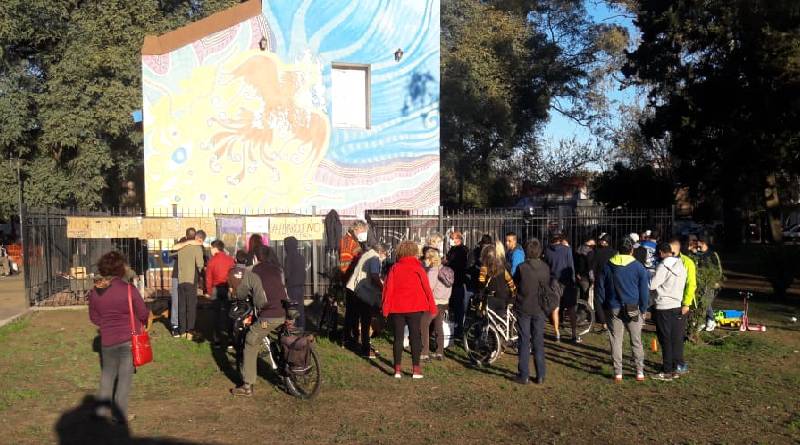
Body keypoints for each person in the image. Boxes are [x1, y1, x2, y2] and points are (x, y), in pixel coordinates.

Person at [88, 251, 149, 423]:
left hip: (107, 339)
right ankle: (119, 413)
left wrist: (106, 324)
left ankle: (100, 411)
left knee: (107, 374)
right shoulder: (129, 289)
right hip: (128, 338)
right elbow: (143, 313)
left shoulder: (96, 291)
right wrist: (140, 322)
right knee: (124, 377)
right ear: (121, 268)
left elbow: (93, 317)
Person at [231, 245, 287, 396]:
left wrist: (238, 297)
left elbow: (242, 291)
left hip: (268, 316)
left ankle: (247, 386)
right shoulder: (277, 269)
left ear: (255, 257)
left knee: (250, 340)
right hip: (285, 312)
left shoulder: (252, 271)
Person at [597, 237, 650, 383]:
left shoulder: (608, 266)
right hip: (633, 307)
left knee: (616, 340)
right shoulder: (639, 267)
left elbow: (600, 288)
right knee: (636, 340)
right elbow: (644, 291)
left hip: (613, 307)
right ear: (632, 250)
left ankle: (618, 373)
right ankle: (640, 372)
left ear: (617, 250)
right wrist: (644, 308)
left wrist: (603, 306)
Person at [382, 241, 438, 379]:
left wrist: (385, 308)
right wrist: (432, 306)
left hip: (397, 307)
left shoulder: (395, 268)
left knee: (398, 338)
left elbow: (388, 289)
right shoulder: (418, 268)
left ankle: (397, 370)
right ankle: (416, 369)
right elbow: (427, 288)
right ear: (414, 252)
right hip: (415, 307)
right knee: (415, 337)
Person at [649, 242, 688, 381]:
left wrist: (649, 276)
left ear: (660, 253)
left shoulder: (663, 266)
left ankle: (667, 371)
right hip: (677, 305)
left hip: (663, 306)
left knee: (664, 339)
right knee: (674, 339)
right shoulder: (681, 265)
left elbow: (652, 284)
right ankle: (675, 367)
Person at [514, 239, 550, 384]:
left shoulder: (522, 268)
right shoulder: (545, 267)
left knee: (524, 340)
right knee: (538, 340)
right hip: (540, 307)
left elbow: (516, 282)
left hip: (524, 306)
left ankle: (524, 374)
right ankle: (540, 374)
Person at [346, 241, 388, 359]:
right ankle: (365, 348)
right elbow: (374, 276)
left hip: (355, 288)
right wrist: (383, 287)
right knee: (366, 320)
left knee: (354, 317)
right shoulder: (374, 257)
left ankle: (354, 342)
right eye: (385, 254)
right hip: (364, 291)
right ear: (381, 251)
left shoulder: (367, 253)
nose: (385, 256)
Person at [545, 232, 578, 342]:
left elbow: (547, 267)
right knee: (571, 308)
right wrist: (573, 281)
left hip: (554, 281)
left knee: (555, 307)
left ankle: (557, 332)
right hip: (567, 281)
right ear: (560, 239)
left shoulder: (547, 251)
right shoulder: (567, 250)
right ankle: (574, 334)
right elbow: (571, 266)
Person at [670, 237, 697, 375]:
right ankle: (669, 363)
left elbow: (691, 284)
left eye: (672, 252)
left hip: (680, 304)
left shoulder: (687, 262)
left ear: (678, 250)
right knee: (667, 336)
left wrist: (686, 304)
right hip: (667, 304)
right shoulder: (664, 260)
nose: (670, 254)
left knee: (677, 335)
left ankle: (679, 363)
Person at [340, 220, 367, 346]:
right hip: (351, 280)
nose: (364, 234)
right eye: (363, 231)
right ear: (357, 229)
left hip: (353, 279)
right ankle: (348, 337)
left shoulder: (353, 240)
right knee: (352, 311)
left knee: (354, 311)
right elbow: (345, 264)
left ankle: (353, 336)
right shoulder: (347, 241)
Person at [422, 248, 452, 361]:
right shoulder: (445, 269)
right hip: (444, 302)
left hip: (434, 302)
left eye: (426, 258)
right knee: (438, 326)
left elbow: (429, 288)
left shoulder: (433, 271)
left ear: (430, 259)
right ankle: (440, 352)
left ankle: (424, 352)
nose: (425, 260)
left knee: (424, 324)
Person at [175, 229, 205, 340]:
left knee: (182, 306)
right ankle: (190, 332)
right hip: (191, 279)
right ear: (195, 236)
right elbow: (200, 264)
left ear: (186, 235)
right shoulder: (196, 247)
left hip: (181, 278)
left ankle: (182, 331)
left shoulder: (181, 246)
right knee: (191, 306)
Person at [206, 240, 235, 348]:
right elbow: (233, 274)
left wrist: (209, 291)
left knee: (216, 315)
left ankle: (217, 339)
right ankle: (230, 339)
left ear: (215, 248)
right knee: (229, 314)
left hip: (215, 289)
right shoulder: (230, 259)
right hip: (228, 288)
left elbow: (208, 278)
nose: (210, 250)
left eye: (211, 248)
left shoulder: (212, 261)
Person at [479, 242, 517, 316]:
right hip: (503, 297)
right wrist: (512, 299)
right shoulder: (504, 267)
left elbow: (481, 284)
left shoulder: (484, 269)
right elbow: (511, 284)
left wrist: (480, 297)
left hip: (490, 298)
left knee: (489, 322)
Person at [694, 235, 723, 331]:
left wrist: (717, 281)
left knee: (706, 301)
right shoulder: (698, 254)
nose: (696, 243)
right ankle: (703, 321)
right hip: (700, 282)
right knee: (701, 302)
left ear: (703, 243)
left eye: (698, 241)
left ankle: (711, 320)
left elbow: (718, 268)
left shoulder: (712, 254)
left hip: (710, 282)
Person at [445, 231, 469, 337]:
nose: (451, 240)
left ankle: (459, 328)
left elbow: (458, 264)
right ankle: (453, 325)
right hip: (451, 280)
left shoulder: (462, 250)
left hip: (458, 280)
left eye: (452, 238)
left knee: (458, 306)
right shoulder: (453, 249)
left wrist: (448, 263)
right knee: (453, 306)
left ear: (458, 239)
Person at [592, 234, 616, 330]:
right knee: (610, 297)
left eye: (601, 240)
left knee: (598, 300)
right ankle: (610, 318)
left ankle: (603, 322)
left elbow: (593, 266)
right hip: (611, 278)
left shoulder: (597, 252)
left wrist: (592, 278)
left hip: (600, 278)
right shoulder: (614, 252)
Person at [283, 236, 307, 330]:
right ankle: (302, 328)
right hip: (300, 287)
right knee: (300, 309)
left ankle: (292, 330)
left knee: (291, 310)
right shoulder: (301, 257)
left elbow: (287, 274)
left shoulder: (288, 257)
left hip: (291, 287)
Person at [574, 238, 595, 321]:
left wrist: (576, 273)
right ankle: (582, 317)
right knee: (584, 298)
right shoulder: (590, 252)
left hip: (578, 276)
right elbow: (590, 267)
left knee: (577, 297)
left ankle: (574, 314)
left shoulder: (578, 250)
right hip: (585, 277)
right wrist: (592, 278)